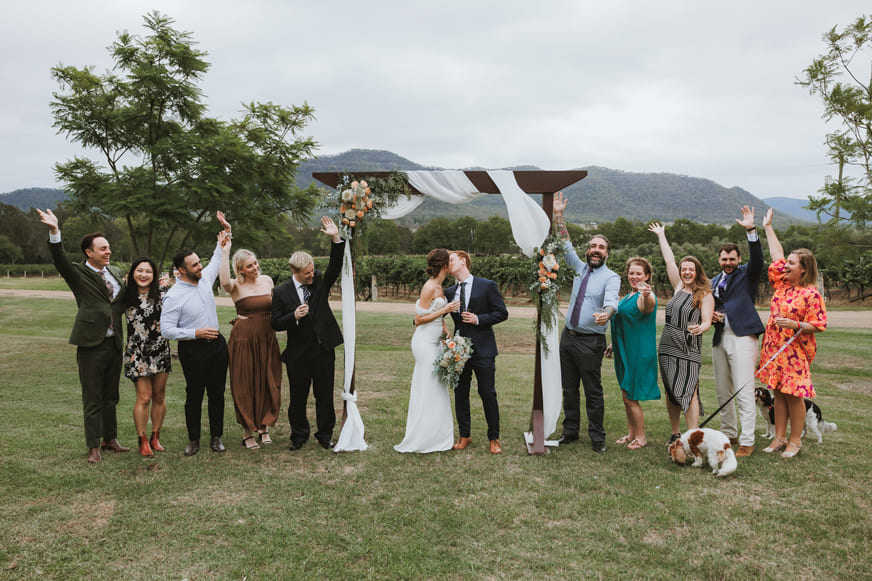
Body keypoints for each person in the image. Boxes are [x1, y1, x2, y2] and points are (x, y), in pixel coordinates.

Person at [36, 208, 129, 464]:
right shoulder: (78, 272)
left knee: (111, 395)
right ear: (89, 252)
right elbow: (59, 258)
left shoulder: (117, 272)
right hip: (91, 344)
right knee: (92, 396)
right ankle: (93, 446)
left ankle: (110, 439)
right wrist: (55, 231)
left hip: (114, 342)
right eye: (102, 248)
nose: (108, 251)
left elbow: (124, 300)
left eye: (108, 247)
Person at [552, 192, 620, 453]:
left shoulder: (611, 277)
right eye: (593, 246)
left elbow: (612, 301)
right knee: (569, 389)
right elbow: (565, 243)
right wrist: (559, 216)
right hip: (568, 337)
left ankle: (597, 438)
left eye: (601, 248)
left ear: (606, 254)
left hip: (591, 342)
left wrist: (607, 313)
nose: (596, 250)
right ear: (588, 250)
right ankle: (570, 432)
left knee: (593, 391)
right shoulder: (579, 268)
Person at [271, 217, 345, 451]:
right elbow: (275, 323)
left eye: (312, 271)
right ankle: (299, 435)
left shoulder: (320, 280)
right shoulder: (281, 291)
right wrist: (294, 316)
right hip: (298, 354)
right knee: (298, 398)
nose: (311, 276)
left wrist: (335, 238)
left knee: (324, 396)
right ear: (294, 271)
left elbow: (335, 265)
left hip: (323, 349)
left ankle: (325, 435)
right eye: (306, 274)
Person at [758, 208, 827, 459]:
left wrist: (795, 325)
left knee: (794, 395)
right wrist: (768, 227)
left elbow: (818, 324)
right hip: (774, 348)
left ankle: (795, 441)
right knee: (777, 393)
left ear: (804, 270)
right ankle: (778, 438)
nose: (785, 265)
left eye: (791, 263)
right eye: (786, 262)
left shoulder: (811, 294)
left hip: (795, 352)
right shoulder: (783, 285)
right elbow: (776, 255)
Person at [160, 225, 230, 457]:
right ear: (180, 270)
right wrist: (195, 333)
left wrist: (226, 234)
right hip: (193, 350)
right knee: (194, 395)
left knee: (217, 393)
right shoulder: (173, 296)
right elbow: (166, 330)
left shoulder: (205, 279)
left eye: (200, 263)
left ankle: (217, 437)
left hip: (218, 347)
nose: (200, 267)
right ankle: (194, 439)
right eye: (195, 265)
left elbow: (217, 258)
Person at [217, 212, 282, 451]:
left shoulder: (267, 281)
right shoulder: (235, 286)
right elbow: (224, 281)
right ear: (241, 270)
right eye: (249, 266)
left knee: (268, 380)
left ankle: (264, 426)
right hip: (244, 338)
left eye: (255, 263)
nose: (255, 268)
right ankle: (247, 430)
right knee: (244, 383)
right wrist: (225, 251)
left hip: (267, 337)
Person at [648, 222, 714, 444]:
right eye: (684, 269)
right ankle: (676, 434)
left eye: (690, 269)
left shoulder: (704, 294)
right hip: (667, 345)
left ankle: (692, 436)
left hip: (688, 348)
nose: (686, 272)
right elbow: (669, 260)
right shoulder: (678, 287)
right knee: (671, 391)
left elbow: (707, 322)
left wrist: (701, 327)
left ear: (697, 272)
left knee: (689, 391)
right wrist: (661, 236)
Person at [711, 206, 766, 457]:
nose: (728, 263)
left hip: (743, 337)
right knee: (723, 390)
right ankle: (729, 433)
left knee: (744, 390)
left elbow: (758, 260)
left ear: (739, 260)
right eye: (724, 259)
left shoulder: (747, 274)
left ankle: (747, 441)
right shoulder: (713, 281)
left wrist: (751, 230)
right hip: (719, 337)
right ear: (719, 260)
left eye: (732, 259)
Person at [394, 249, 461, 453]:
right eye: (449, 261)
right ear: (443, 266)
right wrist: (445, 310)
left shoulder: (440, 285)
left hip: (435, 341)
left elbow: (436, 317)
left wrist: (445, 330)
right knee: (429, 387)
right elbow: (418, 320)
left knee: (437, 388)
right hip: (424, 343)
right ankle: (423, 438)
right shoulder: (429, 287)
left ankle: (438, 435)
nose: (452, 264)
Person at [445, 250, 509, 454]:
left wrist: (478, 319)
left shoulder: (486, 285)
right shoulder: (449, 292)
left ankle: (494, 438)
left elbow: (502, 313)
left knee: (487, 393)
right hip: (459, 350)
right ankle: (464, 435)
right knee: (460, 393)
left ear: (463, 260)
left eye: (451, 259)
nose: (448, 263)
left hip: (484, 349)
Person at [122, 257, 172, 457]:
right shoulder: (125, 295)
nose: (144, 275)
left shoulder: (163, 294)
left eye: (148, 271)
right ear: (133, 273)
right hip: (137, 353)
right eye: (140, 270)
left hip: (160, 351)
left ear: (154, 275)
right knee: (144, 397)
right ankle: (142, 440)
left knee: (159, 396)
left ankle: (155, 437)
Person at [609, 256, 659, 450]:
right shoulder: (629, 295)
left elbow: (647, 307)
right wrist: (613, 345)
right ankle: (631, 434)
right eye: (631, 273)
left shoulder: (646, 295)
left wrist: (645, 295)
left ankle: (641, 437)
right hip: (625, 350)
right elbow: (624, 323)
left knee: (630, 396)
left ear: (647, 276)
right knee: (625, 394)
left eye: (639, 273)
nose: (634, 276)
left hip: (638, 352)